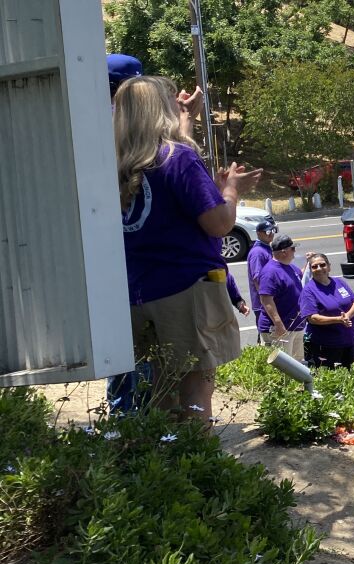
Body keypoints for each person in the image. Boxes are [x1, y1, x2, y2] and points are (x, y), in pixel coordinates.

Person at [115, 75, 260, 419]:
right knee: (196, 382)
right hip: (187, 289)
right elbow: (220, 224)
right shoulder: (177, 157)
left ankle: (167, 460)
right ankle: (197, 462)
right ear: (158, 110)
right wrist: (233, 191)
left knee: (162, 386)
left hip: (140, 292)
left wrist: (187, 120)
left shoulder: (119, 166)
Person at [299, 253, 354, 369]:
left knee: (351, 380)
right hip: (326, 347)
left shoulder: (339, 282)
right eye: (314, 266)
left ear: (329, 267)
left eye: (322, 265)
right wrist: (338, 320)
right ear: (311, 270)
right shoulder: (309, 291)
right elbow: (312, 318)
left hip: (349, 342)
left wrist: (347, 315)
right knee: (329, 382)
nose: (319, 268)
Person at [258, 235, 305, 358]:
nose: (295, 251)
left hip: (296, 326)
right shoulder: (270, 272)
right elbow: (266, 299)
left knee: (297, 366)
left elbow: (299, 276)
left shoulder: (290, 266)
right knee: (282, 369)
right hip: (281, 329)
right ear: (284, 252)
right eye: (293, 249)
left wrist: (309, 265)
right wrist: (278, 325)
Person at [247, 219, 276, 339]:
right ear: (258, 233)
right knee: (267, 337)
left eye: (273, 230)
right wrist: (266, 301)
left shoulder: (266, 248)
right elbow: (257, 278)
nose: (271, 234)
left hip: (270, 301)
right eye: (268, 231)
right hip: (263, 304)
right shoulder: (258, 252)